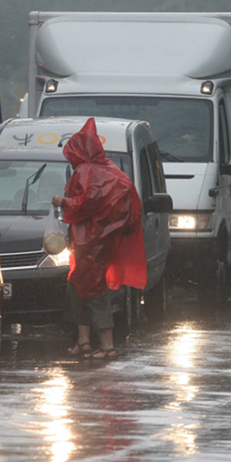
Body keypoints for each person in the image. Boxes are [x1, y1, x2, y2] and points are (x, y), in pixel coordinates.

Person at [52, 118, 146, 359]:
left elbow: (87, 203)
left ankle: (107, 347)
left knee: (92, 291)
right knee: (78, 288)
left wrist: (64, 202)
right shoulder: (111, 170)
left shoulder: (86, 171)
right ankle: (84, 342)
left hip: (88, 243)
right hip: (98, 242)